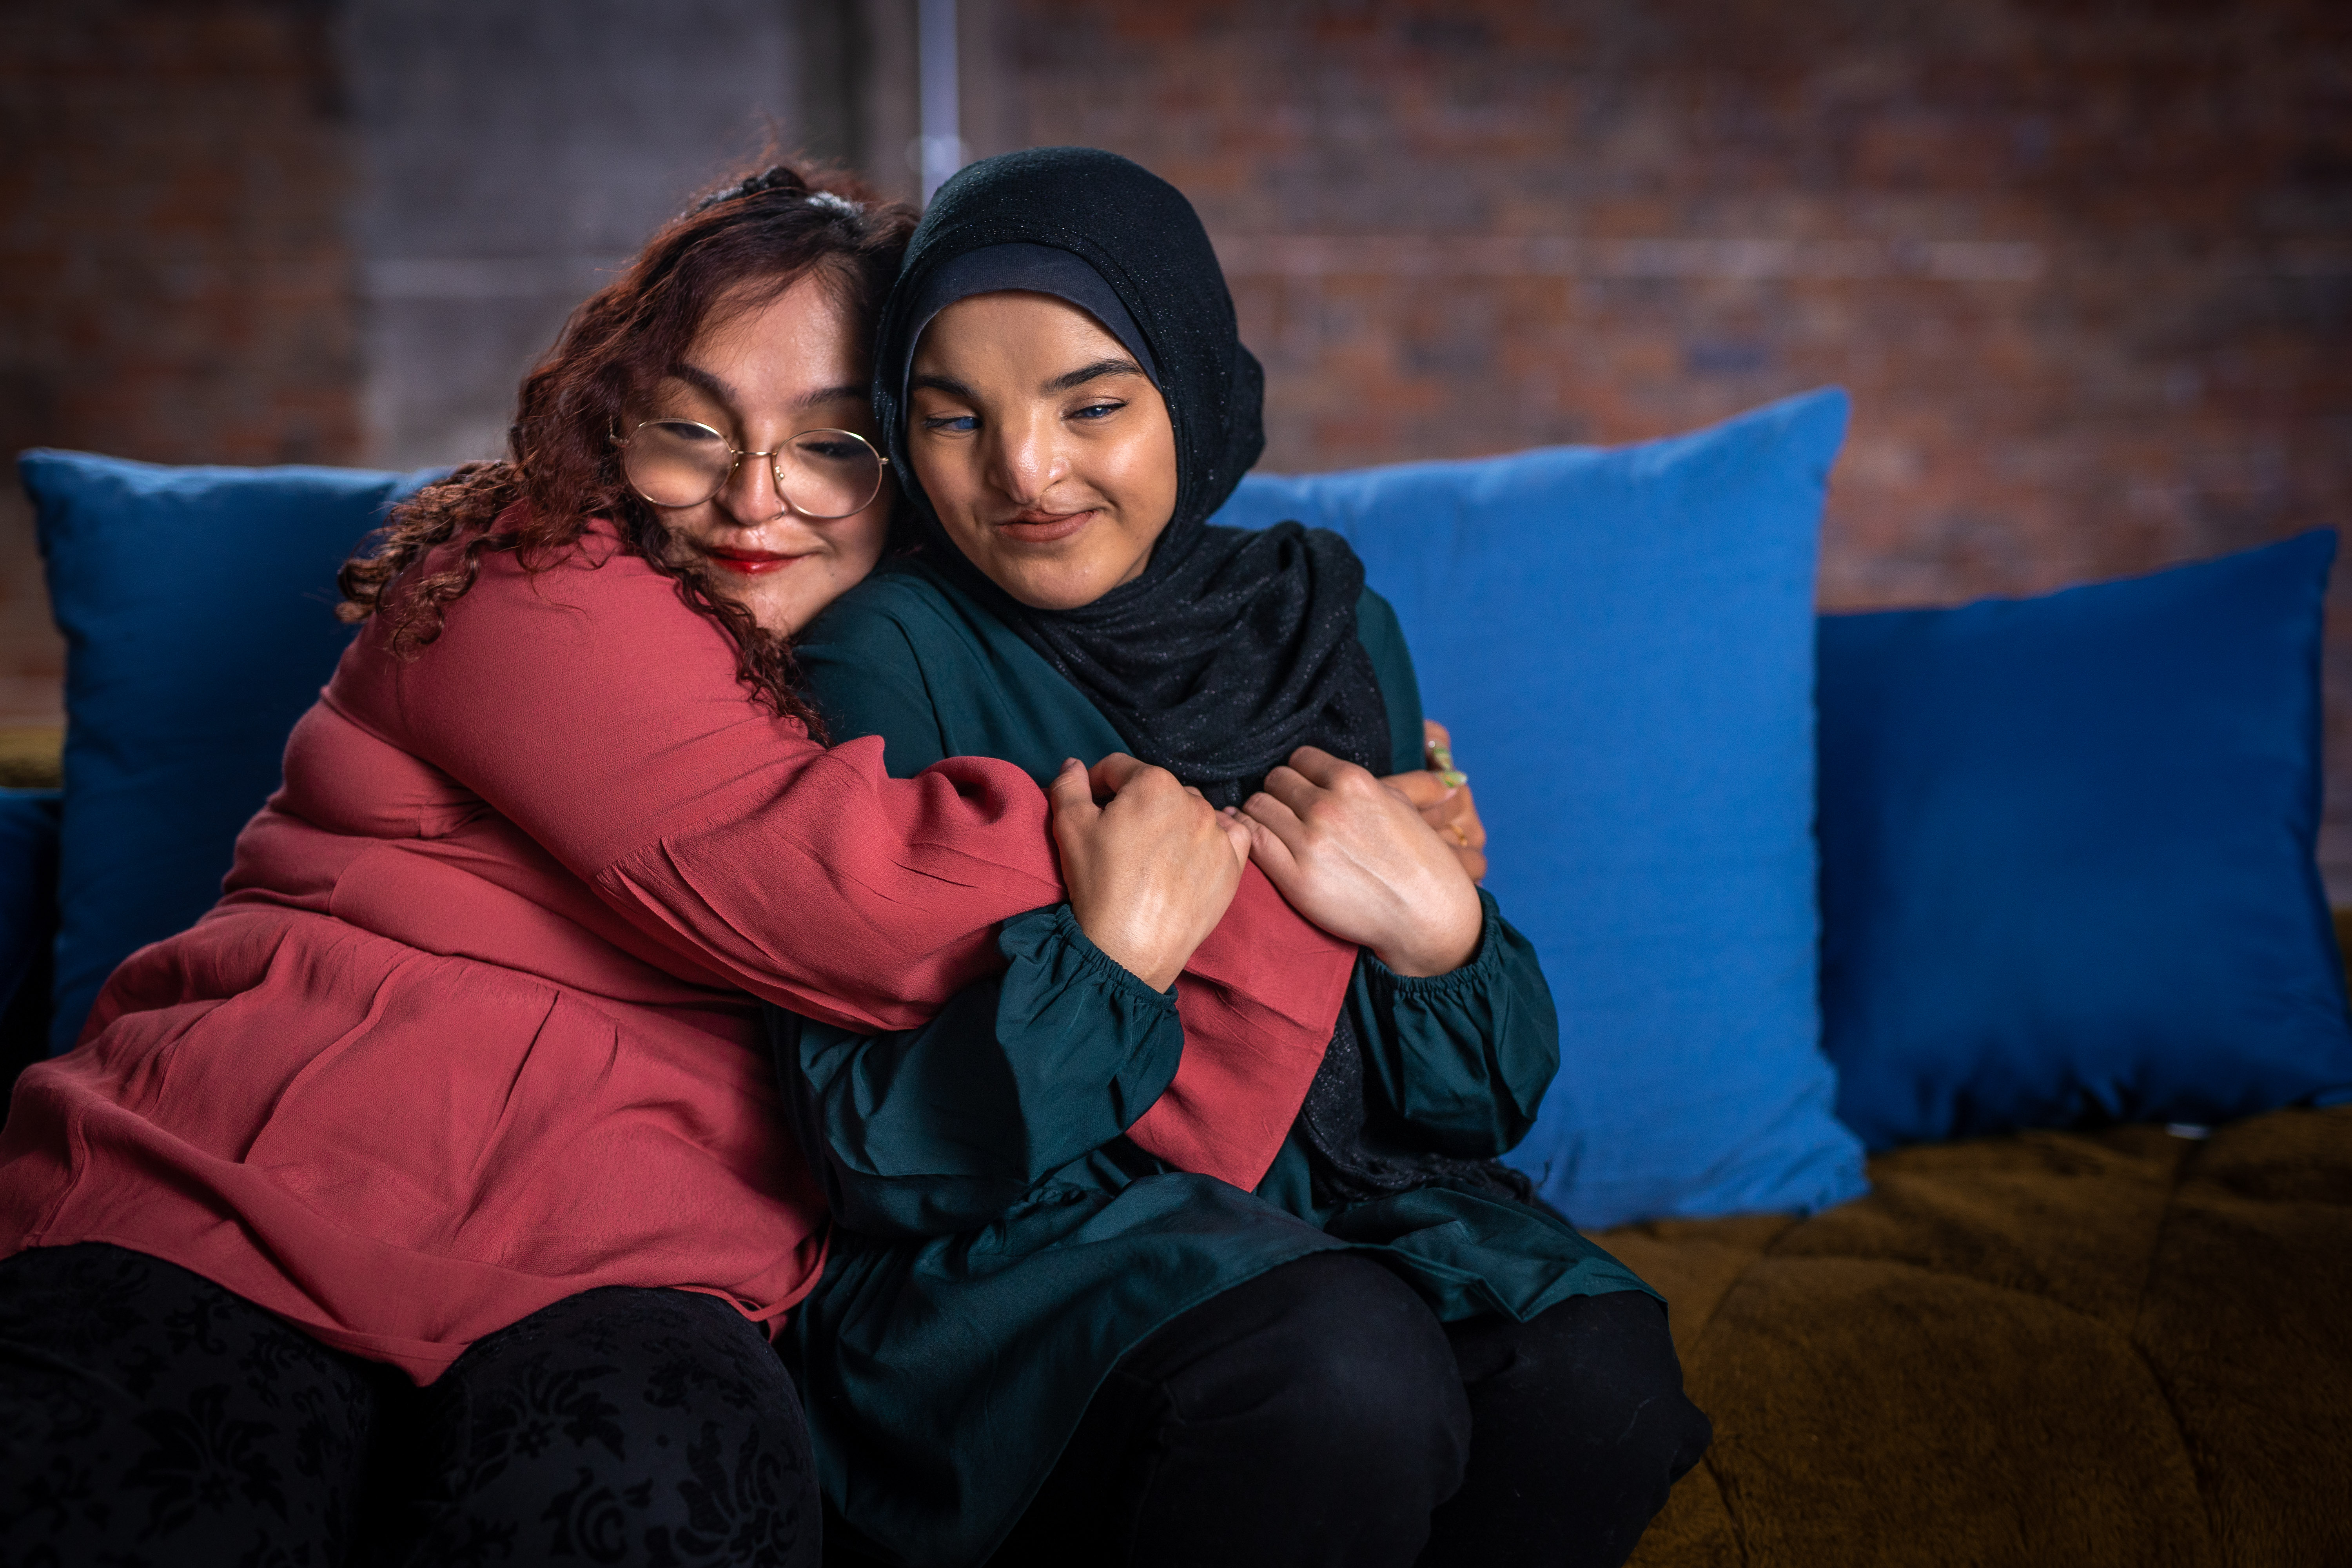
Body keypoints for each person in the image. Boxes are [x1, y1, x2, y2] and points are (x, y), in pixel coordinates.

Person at [0, 161, 1351, 1566]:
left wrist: (1348, 833)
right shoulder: (528, 577)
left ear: (911, 463)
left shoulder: (910, 661)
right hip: (241, 1203)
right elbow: (851, 889)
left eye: (831, 444)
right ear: (610, 425)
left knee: (665, 1494)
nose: (752, 499)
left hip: (641, 1277)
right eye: (690, 431)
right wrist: (1275, 841)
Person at [780, 147, 1713, 1568]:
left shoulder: (1319, 620)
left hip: (1341, 1209)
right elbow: (866, 1149)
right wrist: (1113, 962)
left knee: (1597, 1373)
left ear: (1195, 395)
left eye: (1093, 404)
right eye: (953, 418)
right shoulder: (882, 655)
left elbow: (1479, 1108)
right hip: (1021, 1251)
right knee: (1336, 1371)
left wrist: (1437, 936)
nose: (1025, 471)